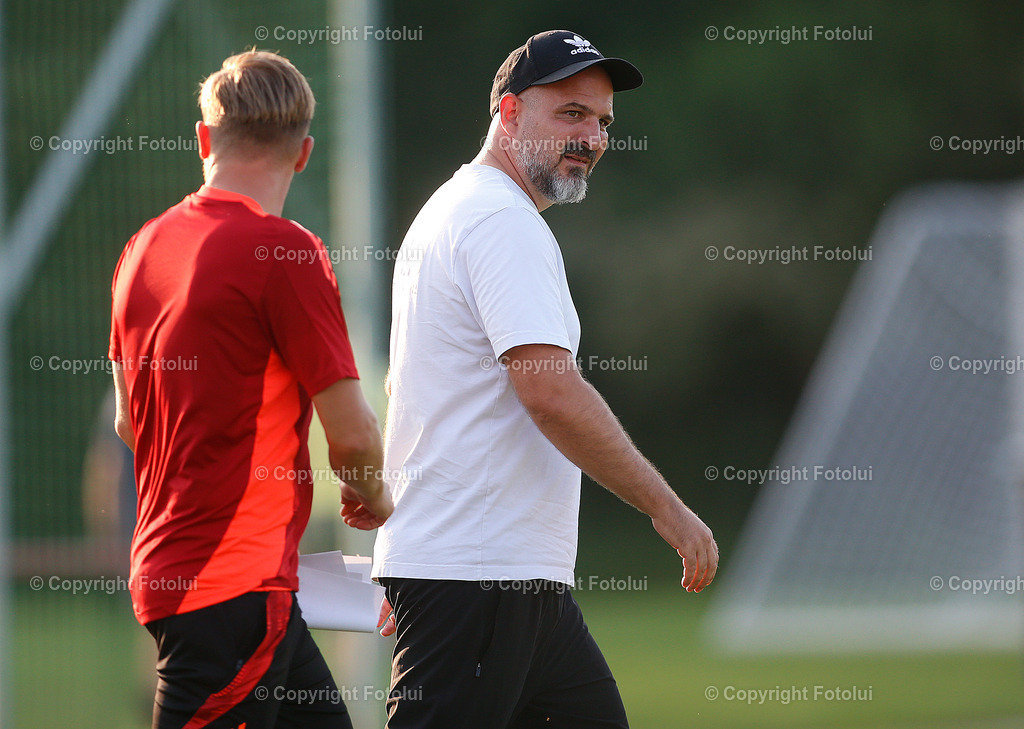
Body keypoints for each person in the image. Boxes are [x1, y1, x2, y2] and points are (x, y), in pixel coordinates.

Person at [372, 29, 719, 728]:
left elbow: (423, 395)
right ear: (508, 113)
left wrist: (420, 548)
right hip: (479, 578)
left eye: (602, 122)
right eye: (570, 113)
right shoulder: (500, 220)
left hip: (506, 581)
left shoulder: (457, 208)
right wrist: (666, 507)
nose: (591, 136)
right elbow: (550, 393)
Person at [108, 50, 393, 729]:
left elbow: (128, 423)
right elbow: (351, 434)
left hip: (192, 575)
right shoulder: (288, 252)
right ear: (303, 154)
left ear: (203, 139)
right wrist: (374, 494)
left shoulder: (139, 250)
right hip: (230, 586)